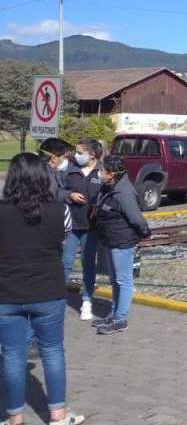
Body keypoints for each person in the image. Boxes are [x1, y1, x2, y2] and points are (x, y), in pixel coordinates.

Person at [0, 153, 85, 425]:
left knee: (12, 355)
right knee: (52, 351)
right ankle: (59, 416)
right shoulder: (60, 211)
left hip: (7, 292)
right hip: (48, 290)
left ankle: (15, 419)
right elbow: (61, 240)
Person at [92, 155, 150, 335]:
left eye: (103, 171)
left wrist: (144, 232)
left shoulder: (124, 192)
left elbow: (136, 218)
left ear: (113, 173)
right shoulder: (109, 187)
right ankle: (114, 313)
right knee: (114, 280)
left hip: (122, 241)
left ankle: (120, 319)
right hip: (110, 239)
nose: (100, 173)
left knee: (123, 280)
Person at [62, 138, 104, 321]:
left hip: (91, 227)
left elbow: (111, 193)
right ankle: (56, 298)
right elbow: (57, 190)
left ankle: (87, 300)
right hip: (71, 225)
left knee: (88, 263)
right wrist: (69, 194)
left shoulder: (102, 171)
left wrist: (98, 206)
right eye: (76, 152)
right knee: (65, 262)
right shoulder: (70, 170)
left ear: (92, 154)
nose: (76, 155)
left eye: (80, 152)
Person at [39, 138, 78, 206]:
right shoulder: (43, 169)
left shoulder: (75, 171)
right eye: (46, 159)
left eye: (52, 158)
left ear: (64, 154)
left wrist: (69, 195)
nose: (48, 162)